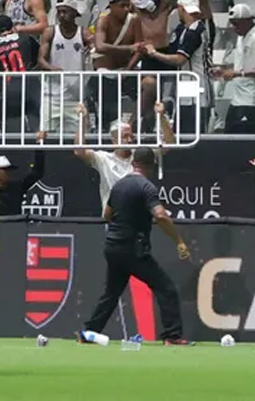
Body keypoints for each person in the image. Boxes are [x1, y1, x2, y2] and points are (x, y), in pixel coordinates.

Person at [80, 148, 191, 345]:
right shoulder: (146, 187)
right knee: (166, 288)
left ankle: (88, 333)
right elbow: (161, 215)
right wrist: (179, 241)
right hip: (133, 249)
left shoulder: (119, 185)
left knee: (111, 294)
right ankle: (172, 336)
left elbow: (107, 214)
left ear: (133, 163)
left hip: (112, 246)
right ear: (151, 166)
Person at [73, 100, 175, 215]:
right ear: (114, 140)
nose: (130, 140)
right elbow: (79, 151)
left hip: (138, 216)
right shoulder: (103, 159)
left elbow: (169, 145)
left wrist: (161, 117)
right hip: (114, 217)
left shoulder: (141, 154)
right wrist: (82, 121)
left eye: (131, 136)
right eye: (125, 137)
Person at [141, 0, 211, 135]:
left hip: (194, 84)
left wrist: (154, 53)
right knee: (180, 127)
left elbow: (180, 59)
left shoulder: (195, 31)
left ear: (182, 9)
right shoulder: (182, 29)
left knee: (191, 129)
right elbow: (170, 50)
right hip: (184, 83)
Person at [211, 4, 255, 134]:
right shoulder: (241, 38)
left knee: (246, 142)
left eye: (236, 23)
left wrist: (240, 73)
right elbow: (242, 65)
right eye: (232, 23)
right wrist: (223, 70)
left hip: (253, 100)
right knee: (229, 136)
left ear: (247, 20)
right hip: (238, 98)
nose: (234, 27)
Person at [36, 0, 89, 134]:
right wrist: (51, 68)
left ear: (74, 13)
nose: (61, 15)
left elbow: (96, 45)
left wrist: (93, 47)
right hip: (52, 97)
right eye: (59, 12)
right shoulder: (50, 32)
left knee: (81, 137)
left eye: (65, 11)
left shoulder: (83, 32)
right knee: (43, 136)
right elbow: (40, 60)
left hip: (76, 97)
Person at [92, 0, 142, 132]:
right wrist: (129, 48)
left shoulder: (134, 20)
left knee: (149, 88)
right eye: (122, 6)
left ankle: (135, 126)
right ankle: (103, 130)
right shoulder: (103, 20)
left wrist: (128, 69)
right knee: (105, 102)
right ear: (112, 5)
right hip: (106, 71)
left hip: (127, 69)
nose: (126, 9)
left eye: (128, 5)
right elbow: (100, 46)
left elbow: (139, 48)